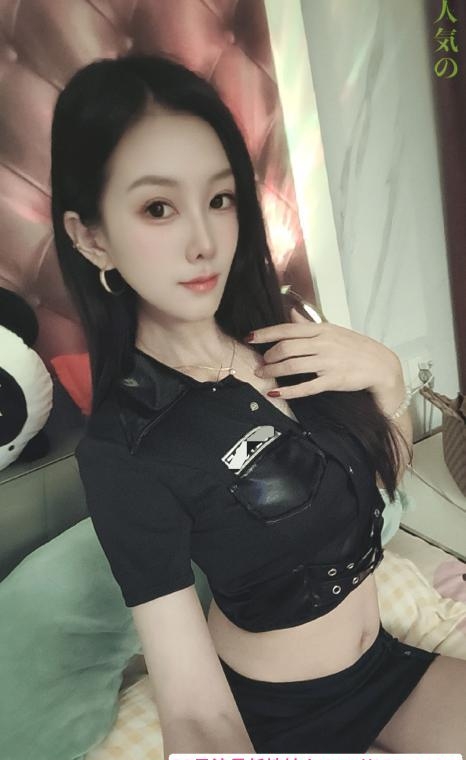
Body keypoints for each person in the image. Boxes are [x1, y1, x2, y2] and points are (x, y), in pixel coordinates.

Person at [50, 53, 466, 756]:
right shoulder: (125, 449)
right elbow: (194, 710)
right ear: (92, 237)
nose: (204, 241)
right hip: (280, 716)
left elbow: (381, 479)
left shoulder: (287, 336)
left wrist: (390, 380)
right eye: (158, 208)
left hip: (384, 668)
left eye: (220, 199)